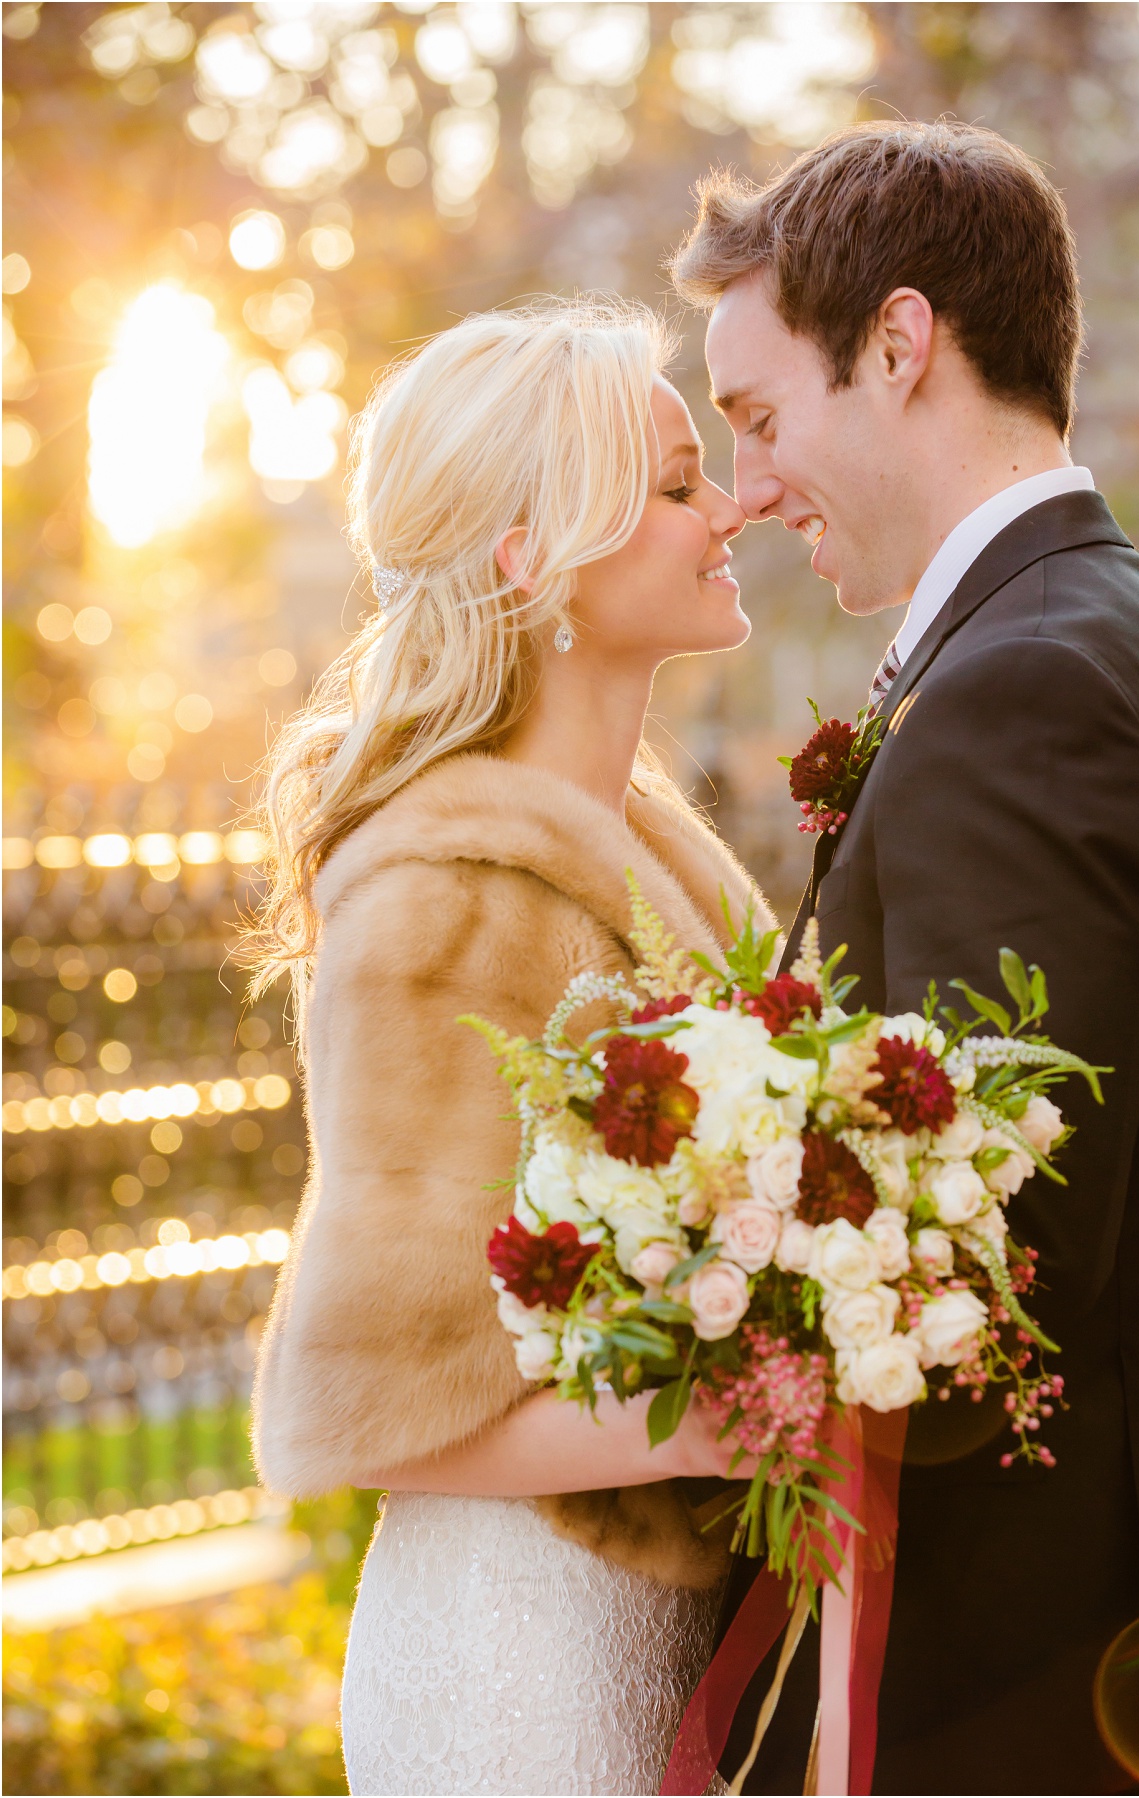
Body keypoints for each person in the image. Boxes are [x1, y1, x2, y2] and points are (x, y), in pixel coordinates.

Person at [672, 119, 1139, 1795]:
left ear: (899, 347)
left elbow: (1004, 1254)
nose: (749, 490)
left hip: (1015, 1664)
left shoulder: (1020, 689)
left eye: (760, 421)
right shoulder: (1122, 638)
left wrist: (687, 1387)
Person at [246, 300, 769, 1797]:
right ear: (532, 554)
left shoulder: (658, 859)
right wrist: (739, 1408)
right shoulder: (446, 889)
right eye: (677, 486)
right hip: (522, 1668)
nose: (727, 507)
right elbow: (373, 1404)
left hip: (671, 1630)